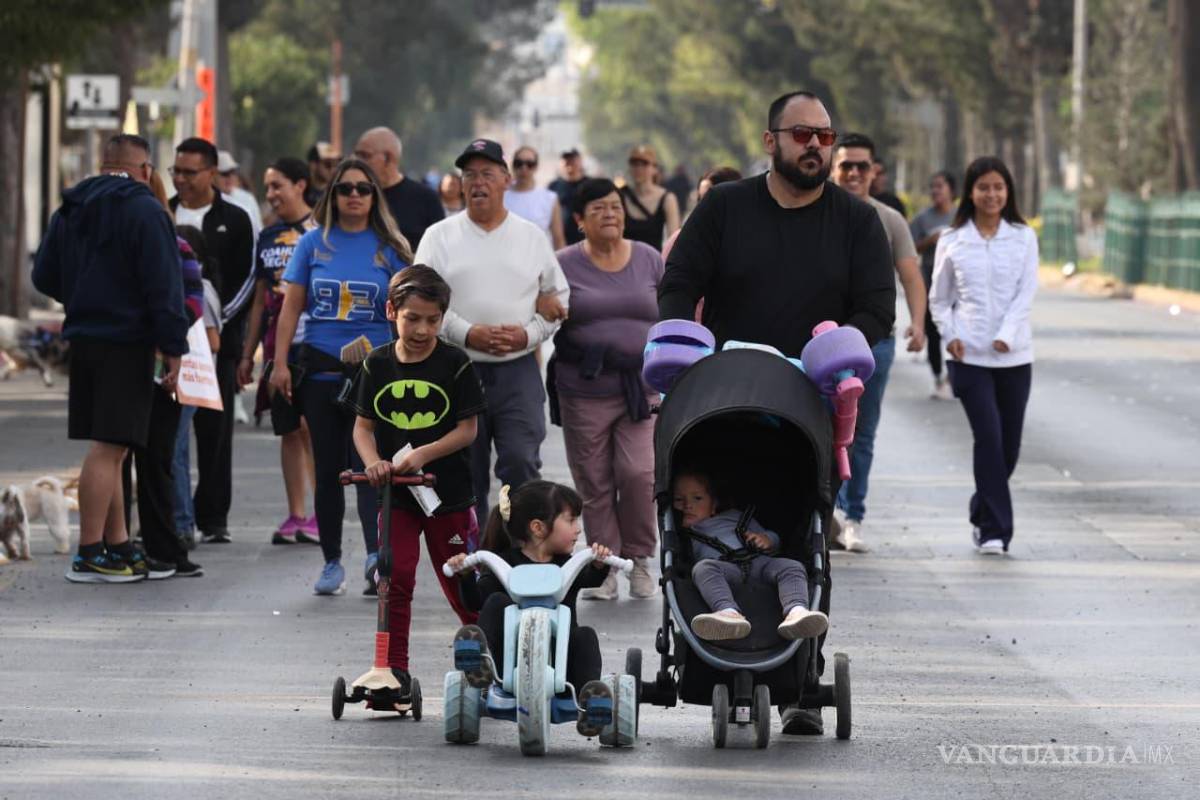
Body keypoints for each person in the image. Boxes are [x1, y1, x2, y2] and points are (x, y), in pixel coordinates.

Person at [659, 90, 895, 737]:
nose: (815, 145)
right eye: (801, 134)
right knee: (703, 532)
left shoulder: (856, 220)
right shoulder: (725, 208)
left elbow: (878, 307)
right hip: (722, 407)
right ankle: (703, 650)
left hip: (808, 413)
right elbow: (680, 282)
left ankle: (800, 683)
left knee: (806, 539)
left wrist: (839, 348)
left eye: (824, 135)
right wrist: (682, 344)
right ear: (771, 141)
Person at [32, 134, 189, 583]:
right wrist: (173, 347)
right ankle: (88, 553)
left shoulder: (70, 208)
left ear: (104, 164)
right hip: (127, 341)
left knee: (115, 444)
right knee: (110, 448)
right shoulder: (146, 211)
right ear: (145, 169)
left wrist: (82, 297)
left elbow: (43, 275)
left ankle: (117, 545)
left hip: (85, 339)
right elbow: (165, 287)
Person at [271, 158, 410, 595]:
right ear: (331, 195)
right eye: (345, 188)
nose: (354, 195)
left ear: (374, 196)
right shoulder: (312, 243)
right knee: (329, 469)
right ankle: (331, 561)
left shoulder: (390, 247)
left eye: (362, 189)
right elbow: (291, 308)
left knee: (372, 468)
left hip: (375, 373)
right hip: (321, 371)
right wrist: (278, 363)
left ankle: (374, 558)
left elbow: (410, 313)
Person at [414, 139, 569, 524]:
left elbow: (557, 299)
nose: (477, 182)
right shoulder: (438, 236)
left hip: (518, 370)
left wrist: (527, 335)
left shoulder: (531, 236)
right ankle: (476, 553)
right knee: (466, 470)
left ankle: (520, 549)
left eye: (487, 173)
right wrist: (467, 333)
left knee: (520, 462)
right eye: (469, 175)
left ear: (506, 180)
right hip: (457, 369)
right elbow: (419, 301)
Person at [349, 266, 485, 688]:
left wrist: (424, 454)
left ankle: (490, 660)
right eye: (412, 318)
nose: (422, 329)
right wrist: (374, 462)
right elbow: (362, 428)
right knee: (394, 579)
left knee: (462, 581)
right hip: (397, 497)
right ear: (392, 312)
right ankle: (393, 671)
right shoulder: (376, 364)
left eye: (432, 319)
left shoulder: (455, 363)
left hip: (449, 494)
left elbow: (468, 430)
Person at [547, 178, 661, 601]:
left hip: (640, 387)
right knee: (594, 482)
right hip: (584, 389)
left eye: (615, 206)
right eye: (598, 208)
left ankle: (640, 559)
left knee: (639, 474)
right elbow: (543, 309)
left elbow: (671, 310)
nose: (610, 214)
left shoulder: (648, 258)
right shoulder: (562, 264)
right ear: (579, 220)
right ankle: (606, 566)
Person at [447, 480, 615, 737]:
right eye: (571, 520)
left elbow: (591, 577)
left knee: (586, 636)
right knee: (496, 602)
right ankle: (480, 662)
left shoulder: (567, 565)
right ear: (538, 527)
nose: (578, 529)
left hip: (564, 670)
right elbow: (475, 601)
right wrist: (466, 575)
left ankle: (589, 699)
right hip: (509, 666)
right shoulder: (504, 564)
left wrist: (599, 564)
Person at [930, 156, 1037, 556]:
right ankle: (995, 531)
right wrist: (950, 335)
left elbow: (1026, 293)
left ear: (1008, 192)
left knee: (1008, 449)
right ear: (971, 193)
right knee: (988, 439)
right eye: (984, 187)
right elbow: (940, 299)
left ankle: (981, 507)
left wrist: (1007, 335)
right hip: (968, 358)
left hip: (1015, 358)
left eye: (998, 187)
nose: (992, 195)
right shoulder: (952, 239)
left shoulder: (1023, 237)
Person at [829, 133, 926, 553]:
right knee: (819, 430)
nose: (853, 173)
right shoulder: (816, 214)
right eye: (846, 165)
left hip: (875, 345)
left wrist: (918, 323)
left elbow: (910, 275)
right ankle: (823, 514)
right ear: (833, 169)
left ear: (874, 172)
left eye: (861, 166)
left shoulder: (890, 220)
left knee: (861, 434)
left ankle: (852, 516)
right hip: (820, 345)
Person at [168, 137, 255, 544]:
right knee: (169, 435)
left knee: (214, 434)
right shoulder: (163, 211)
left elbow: (247, 280)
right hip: (171, 342)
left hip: (218, 342)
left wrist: (213, 319)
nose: (181, 179)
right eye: (176, 171)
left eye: (190, 172)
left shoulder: (234, 218)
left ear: (211, 173)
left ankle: (213, 516)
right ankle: (172, 514)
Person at [236, 157, 319, 545]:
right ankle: (296, 514)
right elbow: (258, 300)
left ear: (300, 185)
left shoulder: (321, 230)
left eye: (277, 186)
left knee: (311, 428)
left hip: (314, 342)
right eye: (267, 187)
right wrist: (247, 353)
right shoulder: (267, 237)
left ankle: (322, 513)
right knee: (287, 429)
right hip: (276, 347)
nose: (270, 194)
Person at [673, 470, 829, 641]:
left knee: (792, 566)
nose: (688, 505)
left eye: (697, 498)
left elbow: (771, 537)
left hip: (759, 561)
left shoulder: (735, 517)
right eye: (679, 500)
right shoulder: (686, 534)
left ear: (714, 504)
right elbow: (683, 559)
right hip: (724, 569)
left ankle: (796, 611)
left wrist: (767, 539)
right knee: (703, 569)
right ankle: (727, 612)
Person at [172, 225, 222, 558]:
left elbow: (214, 340)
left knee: (175, 452)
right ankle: (179, 520)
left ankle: (182, 523)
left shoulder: (201, 289)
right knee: (175, 451)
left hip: (189, 378)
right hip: (179, 377)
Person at [354, 126, 444, 251]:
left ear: (388, 158)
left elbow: (440, 250)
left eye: (365, 155)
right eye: (356, 155)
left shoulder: (426, 199)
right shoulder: (351, 196)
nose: (357, 162)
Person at [911, 171, 958, 400]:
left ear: (951, 190)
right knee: (934, 332)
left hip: (959, 288)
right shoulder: (923, 219)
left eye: (940, 186)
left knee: (958, 331)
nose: (935, 191)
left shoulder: (962, 216)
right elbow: (909, 248)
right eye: (933, 186)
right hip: (930, 284)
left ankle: (953, 376)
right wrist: (931, 240)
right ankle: (939, 376)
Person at [661, 166, 742, 261]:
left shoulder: (749, 240)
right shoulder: (681, 241)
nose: (702, 206)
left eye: (709, 199)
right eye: (700, 199)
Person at [620, 145, 680, 251]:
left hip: (654, 259)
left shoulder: (667, 199)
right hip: (624, 259)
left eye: (644, 164)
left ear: (655, 169)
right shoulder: (620, 196)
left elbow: (673, 241)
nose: (638, 168)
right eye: (634, 164)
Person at [504, 146, 566, 249]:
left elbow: (558, 240)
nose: (524, 168)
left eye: (530, 164)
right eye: (519, 163)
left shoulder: (549, 198)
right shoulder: (500, 196)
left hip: (540, 258)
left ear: (536, 167)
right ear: (512, 165)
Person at [217, 151, 264, 238]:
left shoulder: (247, 198)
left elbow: (258, 228)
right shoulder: (208, 200)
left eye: (232, 172)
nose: (229, 177)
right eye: (225, 174)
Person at [548, 148, 587, 246]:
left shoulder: (590, 184)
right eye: (566, 159)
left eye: (572, 159)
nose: (569, 163)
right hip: (561, 241)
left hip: (586, 240)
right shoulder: (553, 186)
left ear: (580, 161)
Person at [305, 141, 340, 207]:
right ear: (313, 165)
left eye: (335, 164)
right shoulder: (301, 192)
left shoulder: (337, 193)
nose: (332, 169)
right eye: (328, 164)